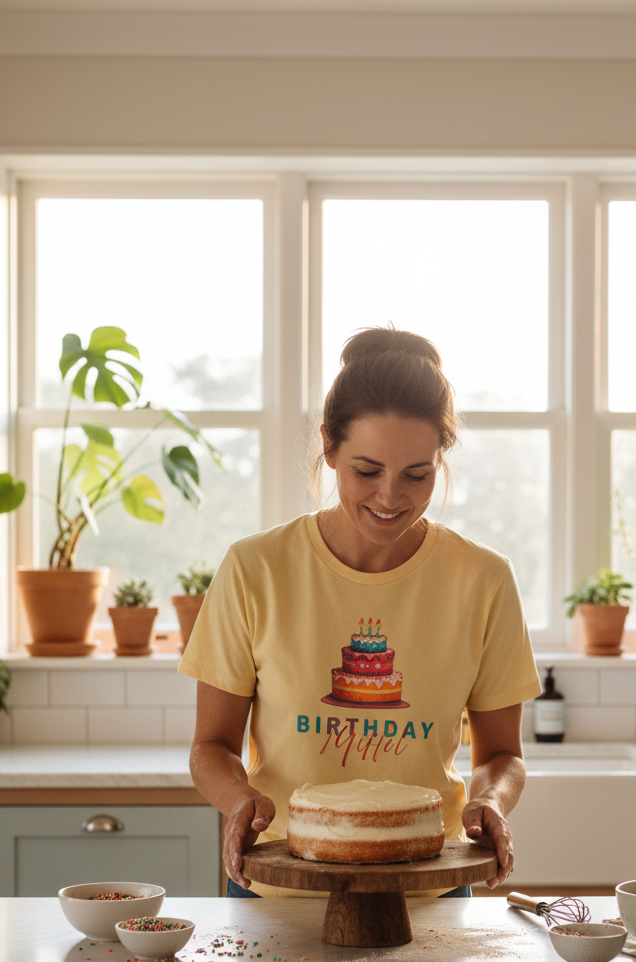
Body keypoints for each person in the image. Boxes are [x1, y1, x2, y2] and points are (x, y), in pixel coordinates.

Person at [180, 326, 541, 898]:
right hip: (281, 889)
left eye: (416, 475)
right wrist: (239, 799)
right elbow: (211, 748)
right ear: (328, 448)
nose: (390, 497)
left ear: (440, 459)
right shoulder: (256, 569)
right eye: (366, 471)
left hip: (428, 888)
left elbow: (502, 755)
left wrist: (490, 801)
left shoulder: (484, 580)